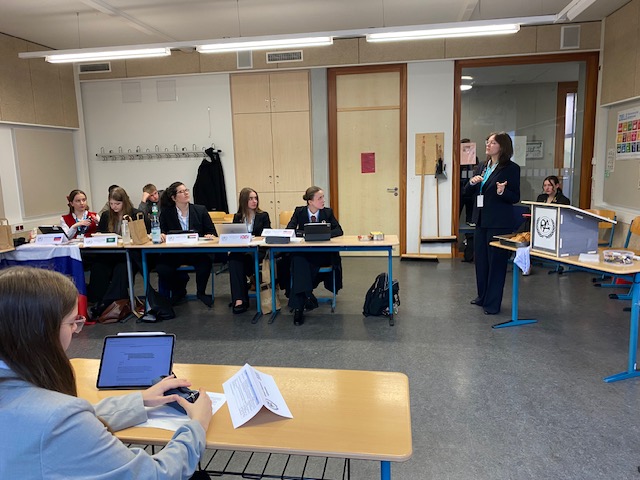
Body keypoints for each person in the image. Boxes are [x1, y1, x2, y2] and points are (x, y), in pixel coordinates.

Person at [0, 267, 212, 479]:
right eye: (73, 322)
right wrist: (198, 425)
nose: (75, 330)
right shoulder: (59, 417)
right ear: (43, 329)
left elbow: (75, 422)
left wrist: (140, 400)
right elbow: (154, 475)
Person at [464, 132, 520, 315]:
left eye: (493, 142)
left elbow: (515, 197)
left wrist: (503, 192)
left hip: (499, 223)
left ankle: (492, 303)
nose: (488, 145)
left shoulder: (511, 168)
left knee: (496, 263)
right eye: (487, 142)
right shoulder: (482, 166)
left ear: (502, 146)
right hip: (481, 220)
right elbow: (466, 192)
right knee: (481, 261)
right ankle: (482, 297)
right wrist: (472, 183)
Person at [285, 186, 343, 326]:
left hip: (322, 254)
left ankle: (300, 304)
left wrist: (324, 234)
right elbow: (289, 230)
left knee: (299, 263)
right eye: (319, 198)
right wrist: (305, 234)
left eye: (323, 197)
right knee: (298, 260)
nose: (323, 200)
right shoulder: (299, 211)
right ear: (310, 201)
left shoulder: (327, 212)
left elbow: (339, 230)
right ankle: (303, 302)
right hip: (304, 252)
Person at [90, 187, 149, 318]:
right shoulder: (106, 215)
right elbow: (101, 234)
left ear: (124, 202)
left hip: (130, 255)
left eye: (117, 203)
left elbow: (146, 235)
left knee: (121, 269)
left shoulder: (136, 214)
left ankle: (106, 304)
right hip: (110, 254)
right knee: (98, 267)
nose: (114, 207)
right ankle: (101, 300)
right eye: (111, 204)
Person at [156, 182, 217, 308]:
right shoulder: (167, 213)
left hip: (196, 251)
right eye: (181, 192)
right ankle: (178, 290)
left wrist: (209, 235)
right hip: (175, 252)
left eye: (186, 190)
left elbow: (212, 232)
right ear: (174, 197)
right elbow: (162, 231)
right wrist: (161, 235)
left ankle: (201, 292)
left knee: (205, 262)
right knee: (162, 268)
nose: (186, 193)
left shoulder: (200, 210)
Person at [228, 188, 271, 314]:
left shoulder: (263, 216)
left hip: (258, 250)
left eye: (256, 198)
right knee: (233, 259)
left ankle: (247, 286)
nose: (254, 201)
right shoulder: (238, 217)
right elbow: (234, 236)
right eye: (251, 199)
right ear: (244, 200)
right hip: (242, 250)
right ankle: (239, 299)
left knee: (243, 259)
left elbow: (267, 234)